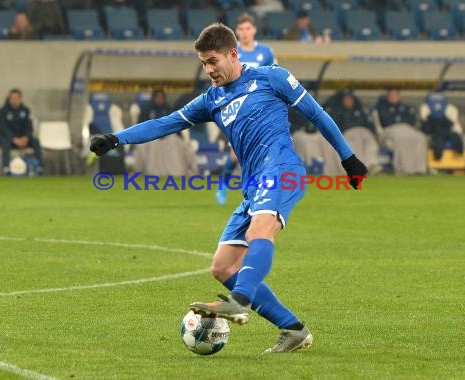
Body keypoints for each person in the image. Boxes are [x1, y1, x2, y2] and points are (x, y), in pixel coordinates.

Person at [90, 23, 367, 353]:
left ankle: (240, 300)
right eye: (203, 64)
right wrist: (117, 138)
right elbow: (165, 123)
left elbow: (317, 114)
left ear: (233, 54)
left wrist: (348, 159)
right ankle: (293, 329)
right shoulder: (210, 100)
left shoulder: (272, 77)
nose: (208, 70)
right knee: (222, 266)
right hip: (253, 184)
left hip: (282, 170)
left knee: (260, 232)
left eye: (212, 61)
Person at [217, 12, 277, 205]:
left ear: (254, 30)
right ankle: (223, 184)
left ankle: (255, 190)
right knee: (235, 154)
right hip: (238, 111)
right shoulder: (231, 53)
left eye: (248, 28)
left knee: (260, 154)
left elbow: (274, 77)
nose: (244, 32)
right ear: (236, 31)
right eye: (241, 29)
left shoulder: (266, 52)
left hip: (260, 111)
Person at [373, 87, 427, 175]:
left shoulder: (406, 107)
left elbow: (411, 120)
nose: (394, 97)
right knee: (400, 138)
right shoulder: (382, 107)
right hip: (389, 130)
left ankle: (420, 169)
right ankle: (403, 169)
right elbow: (385, 121)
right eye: (392, 95)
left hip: (406, 129)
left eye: (396, 95)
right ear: (388, 96)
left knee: (420, 137)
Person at [0, 89, 43, 175]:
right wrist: (14, 139)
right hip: (10, 139)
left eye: (16, 98)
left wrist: (26, 137)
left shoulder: (26, 110)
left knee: (36, 141)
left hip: (23, 139)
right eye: (12, 98)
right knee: (5, 142)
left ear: (20, 98)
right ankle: (6, 168)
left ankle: (39, 167)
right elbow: (2, 128)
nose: (14, 100)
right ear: (9, 99)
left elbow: (29, 127)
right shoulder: (3, 111)